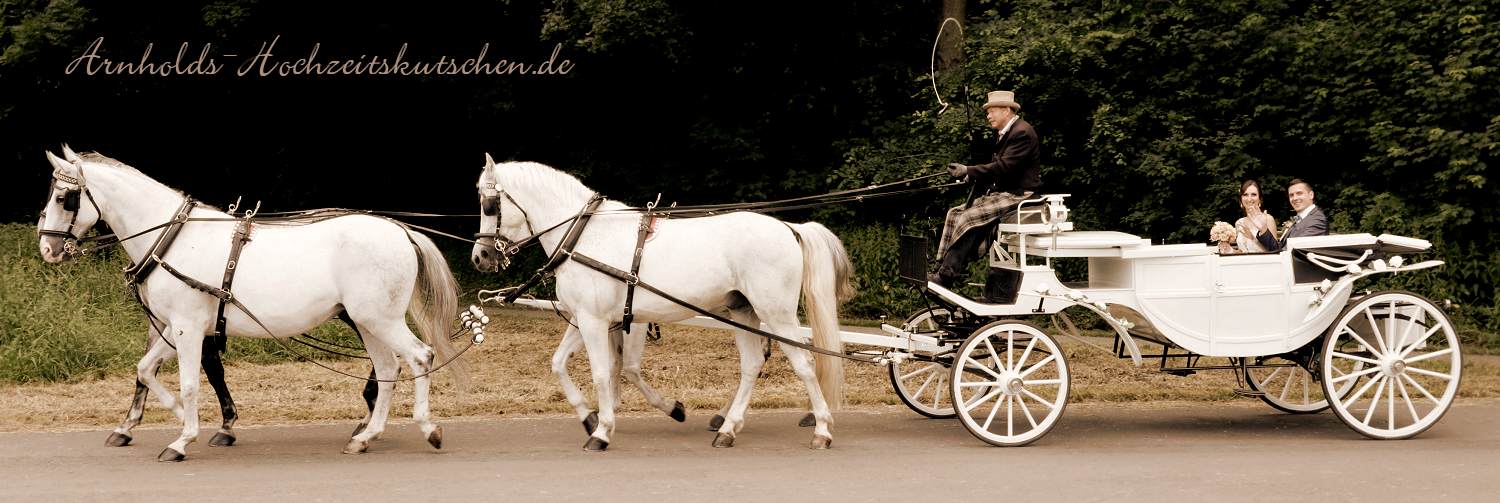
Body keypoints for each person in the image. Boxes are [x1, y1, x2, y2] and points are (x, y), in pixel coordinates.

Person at [929, 90, 1042, 295]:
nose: (988, 116)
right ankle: (940, 268)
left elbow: (1003, 167)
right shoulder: (1008, 132)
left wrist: (969, 170)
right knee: (954, 213)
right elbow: (997, 168)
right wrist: (969, 175)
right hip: (1005, 192)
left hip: (1021, 194)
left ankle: (947, 275)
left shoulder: (1022, 132)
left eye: (991, 111)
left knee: (970, 217)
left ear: (1006, 110)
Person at [1256, 178, 1327, 251]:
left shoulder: (1317, 220)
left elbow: (1291, 252)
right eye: (1291, 195)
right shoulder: (1300, 218)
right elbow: (1279, 248)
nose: (1295, 198)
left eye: (1299, 193)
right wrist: (1264, 229)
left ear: (1311, 195)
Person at [1234, 179, 1277, 253]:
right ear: (1241, 199)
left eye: (1253, 194)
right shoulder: (1239, 223)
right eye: (1245, 195)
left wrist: (1253, 239)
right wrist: (1231, 250)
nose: (1249, 199)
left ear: (1260, 199)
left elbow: (1275, 250)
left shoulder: (1268, 219)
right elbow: (1242, 251)